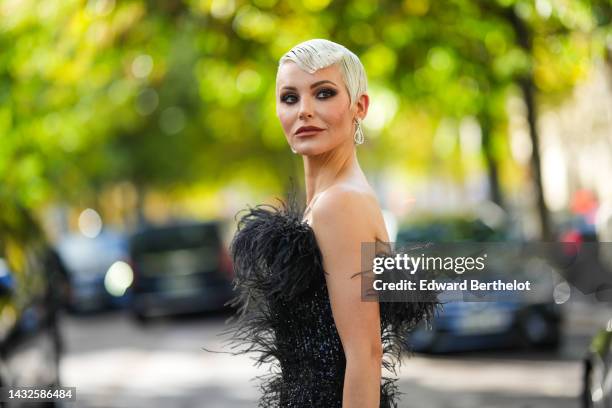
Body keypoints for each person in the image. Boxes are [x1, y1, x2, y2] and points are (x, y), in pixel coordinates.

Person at [224, 39, 439, 408]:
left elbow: (366, 355)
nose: (304, 110)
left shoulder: (340, 203)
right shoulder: (330, 201)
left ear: (360, 106)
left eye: (323, 93)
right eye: (289, 98)